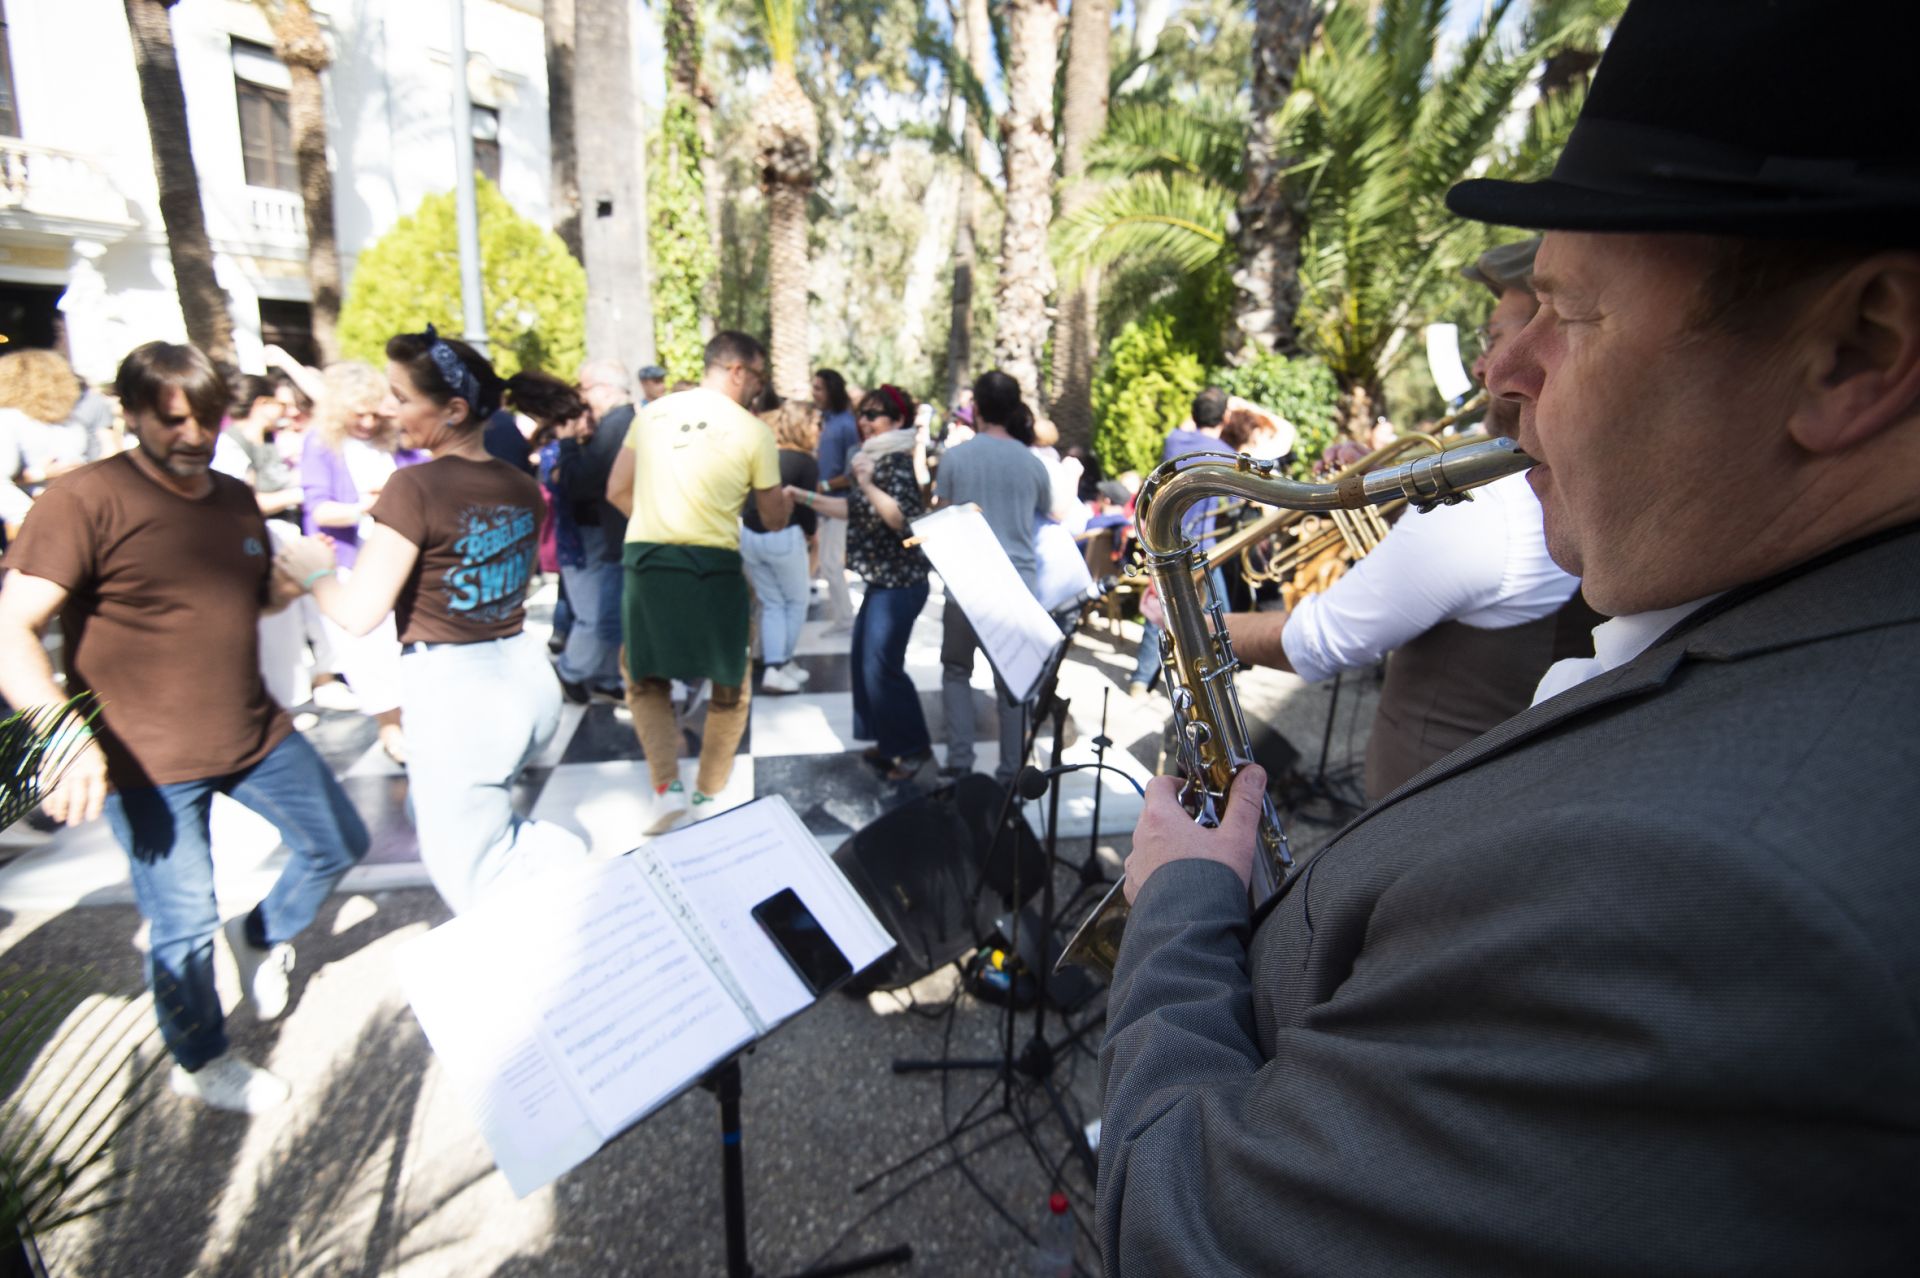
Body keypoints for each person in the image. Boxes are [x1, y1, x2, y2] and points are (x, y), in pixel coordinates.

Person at [1097, 2, 1920, 1270]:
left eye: (1571, 313)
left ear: (1854, 353)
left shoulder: (1700, 894)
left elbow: (1195, 1237)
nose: (1504, 373)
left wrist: (1183, 910)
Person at [0, 342, 370, 1113]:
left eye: (206, 418)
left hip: (253, 729)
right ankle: (200, 1059)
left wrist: (287, 586)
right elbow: (10, 629)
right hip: (144, 754)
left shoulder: (235, 496)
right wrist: (63, 735)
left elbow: (241, 604)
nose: (193, 435)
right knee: (183, 919)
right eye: (172, 421)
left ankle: (261, 934)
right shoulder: (82, 500)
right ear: (130, 414)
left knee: (339, 843)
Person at [1219, 239, 1600, 800]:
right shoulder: (1548, 488)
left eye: (1493, 338)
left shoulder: (1485, 510)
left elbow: (1320, 642)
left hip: (1422, 798)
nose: (1482, 367)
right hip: (1490, 787)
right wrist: (1372, 474)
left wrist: (1193, 622)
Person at [278, 330, 587, 914]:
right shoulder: (521, 485)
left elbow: (358, 612)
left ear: (453, 410)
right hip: (524, 680)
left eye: (401, 397)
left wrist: (316, 572)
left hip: (460, 697)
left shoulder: (412, 485)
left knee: (472, 878)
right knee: (454, 818)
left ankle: (569, 942)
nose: (391, 409)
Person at [605, 331, 792, 832]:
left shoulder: (651, 414)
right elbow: (773, 519)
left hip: (647, 561)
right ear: (736, 371)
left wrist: (658, 523)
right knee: (731, 683)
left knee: (644, 679)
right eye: (758, 377)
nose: (759, 387)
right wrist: (785, 501)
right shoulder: (754, 432)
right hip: (713, 567)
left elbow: (617, 489)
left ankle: (666, 789)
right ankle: (709, 793)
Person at [791, 386, 934, 780]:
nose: (866, 422)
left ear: (898, 421)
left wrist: (868, 484)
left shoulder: (894, 462)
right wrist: (802, 497)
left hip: (902, 582)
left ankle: (913, 749)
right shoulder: (874, 457)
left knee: (882, 667)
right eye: (863, 415)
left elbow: (901, 520)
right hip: (883, 581)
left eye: (875, 415)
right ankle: (891, 743)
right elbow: (853, 510)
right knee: (864, 661)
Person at [298, 362, 419, 760]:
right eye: (358, 414)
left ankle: (416, 719)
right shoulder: (320, 444)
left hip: (401, 555)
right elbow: (319, 509)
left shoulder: (395, 439)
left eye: (372, 412)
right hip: (353, 558)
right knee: (369, 649)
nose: (367, 422)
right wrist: (365, 507)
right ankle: (391, 729)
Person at [1127, 386, 1236, 697]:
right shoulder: (1223, 452)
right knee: (1219, 612)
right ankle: (1224, 677)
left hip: (1166, 540)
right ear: (1225, 417)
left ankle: (1140, 679)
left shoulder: (1174, 440)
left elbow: (1187, 425)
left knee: (1163, 605)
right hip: (1201, 545)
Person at [549, 358, 636, 700]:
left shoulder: (618, 425)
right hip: (612, 537)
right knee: (607, 617)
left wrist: (569, 445)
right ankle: (610, 677)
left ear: (603, 390)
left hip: (618, 539)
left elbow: (583, 483)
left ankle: (588, 674)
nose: (581, 398)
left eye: (583, 389)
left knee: (606, 618)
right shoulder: (620, 423)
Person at [745, 398, 820, 694]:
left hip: (750, 535)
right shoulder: (804, 461)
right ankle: (777, 664)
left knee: (773, 602)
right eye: (815, 423)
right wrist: (812, 533)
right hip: (782, 534)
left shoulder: (767, 453)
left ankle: (779, 663)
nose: (819, 429)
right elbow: (805, 507)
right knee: (796, 601)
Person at [214, 373, 303, 521]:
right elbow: (245, 501)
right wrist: (300, 494)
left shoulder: (271, 439)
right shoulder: (230, 446)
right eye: (281, 405)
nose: (286, 412)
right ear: (263, 404)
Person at [811, 368, 859, 632]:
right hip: (825, 502)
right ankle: (843, 619)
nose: (814, 393)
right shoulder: (828, 422)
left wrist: (826, 484)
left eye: (819, 388)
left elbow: (853, 471)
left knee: (831, 563)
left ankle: (845, 621)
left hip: (839, 504)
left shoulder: (846, 425)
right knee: (828, 564)